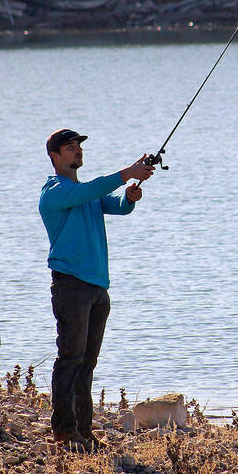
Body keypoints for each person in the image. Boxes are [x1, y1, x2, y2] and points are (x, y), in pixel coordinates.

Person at [39, 128, 155, 451]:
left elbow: (115, 204)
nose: (77, 150)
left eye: (78, 145)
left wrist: (130, 196)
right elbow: (92, 191)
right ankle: (64, 432)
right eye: (70, 146)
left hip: (97, 289)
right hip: (71, 286)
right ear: (55, 156)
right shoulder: (55, 193)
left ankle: (84, 431)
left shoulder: (84, 193)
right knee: (70, 358)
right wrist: (127, 172)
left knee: (87, 362)